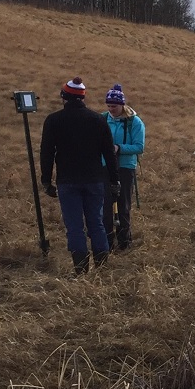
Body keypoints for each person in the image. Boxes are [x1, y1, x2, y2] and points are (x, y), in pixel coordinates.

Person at [40, 76, 121, 274]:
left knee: (75, 226)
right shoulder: (98, 120)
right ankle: (102, 267)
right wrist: (114, 180)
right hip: (94, 180)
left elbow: (47, 152)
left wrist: (46, 180)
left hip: (67, 181)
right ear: (82, 98)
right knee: (96, 222)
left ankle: (81, 269)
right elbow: (109, 153)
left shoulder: (53, 120)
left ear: (64, 97)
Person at [101, 83, 145, 251]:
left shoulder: (135, 122)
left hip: (125, 168)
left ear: (122, 104)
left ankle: (124, 243)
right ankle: (106, 243)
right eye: (109, 106)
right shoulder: (102, 119)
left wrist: (119, 148)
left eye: (114, 106)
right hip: (104, 167)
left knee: (123, 204)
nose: (111, 109)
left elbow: (139, 147)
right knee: (105, 206)